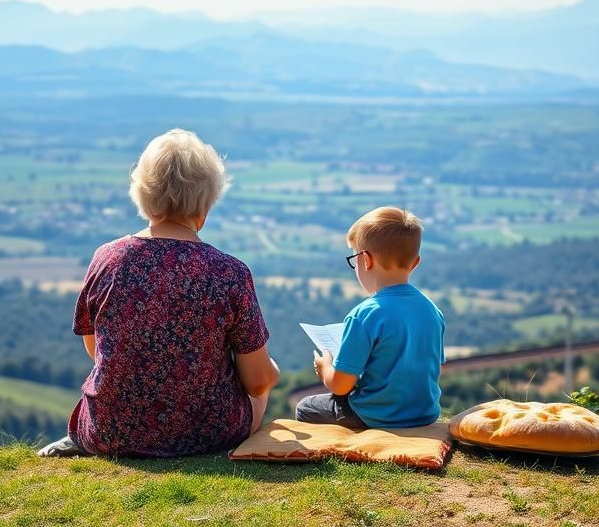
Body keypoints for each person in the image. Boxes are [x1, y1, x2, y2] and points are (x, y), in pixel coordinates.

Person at [39, 128, 280, 457]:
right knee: (262, 384)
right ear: (204, 207)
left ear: (143, 196)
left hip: (110, 432)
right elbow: (257, 382)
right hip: (208, 435)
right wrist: (270, 372)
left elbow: (97, 349)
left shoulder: (107, 259)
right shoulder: (230, 273)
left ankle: (84, 437)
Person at [296, 206, 444, 429]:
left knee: (306, 406)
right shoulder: (432, 311)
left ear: (365, 260)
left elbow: (340, 386)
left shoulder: (364, 315)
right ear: (415, 263)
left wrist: (325, 367)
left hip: (376, 415)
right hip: (424, 413)